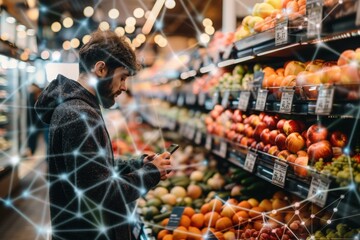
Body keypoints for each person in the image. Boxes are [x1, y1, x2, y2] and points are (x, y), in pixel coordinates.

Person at [35, 30, 173, 240]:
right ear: (101, 69)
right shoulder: (80, 115)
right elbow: (100, 193)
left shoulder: (78, 108)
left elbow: (92, 174)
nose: (125, 87)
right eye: (122, 77)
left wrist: (138, 164)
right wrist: (150, 174)